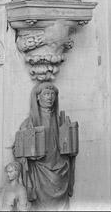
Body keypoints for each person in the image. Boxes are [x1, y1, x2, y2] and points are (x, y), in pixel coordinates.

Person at [14, 83, 73, 211]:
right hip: (40, 172)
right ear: (37, 97)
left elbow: (68, 145)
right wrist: (29, 155)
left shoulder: (60, 121)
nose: (50, 97)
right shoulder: (30, 123)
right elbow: (18, 150)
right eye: (46, 94)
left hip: (60, 169)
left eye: (52, 94)